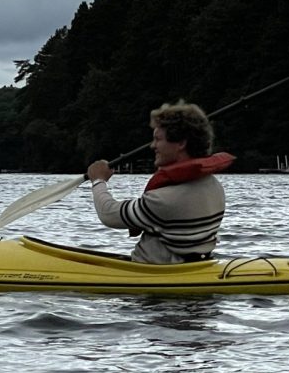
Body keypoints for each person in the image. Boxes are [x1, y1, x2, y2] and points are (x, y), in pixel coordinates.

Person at [85, 101, 234, 264]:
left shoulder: (165, 199)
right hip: (194, 265)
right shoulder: (214, 186)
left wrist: (98, 180)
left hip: (151, 272)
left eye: (158, 139)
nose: (153, 146)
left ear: (181, 143)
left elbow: (109, 214)